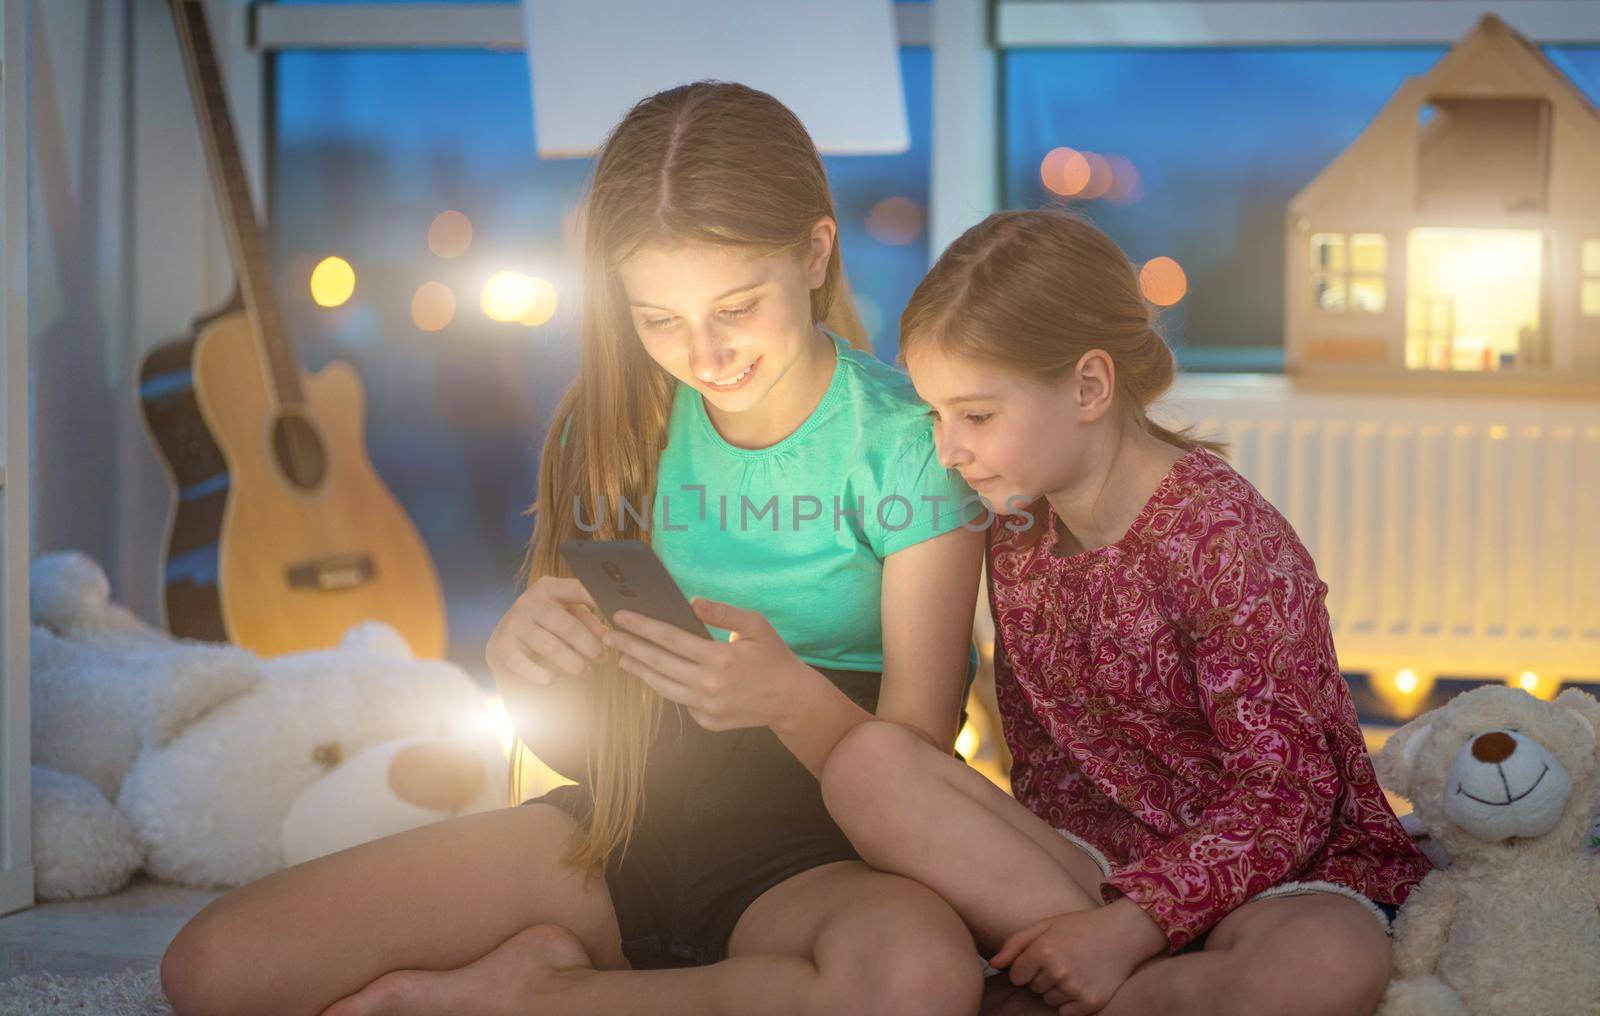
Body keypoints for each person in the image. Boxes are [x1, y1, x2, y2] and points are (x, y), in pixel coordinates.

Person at [159, 82, 986, 1016]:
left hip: (818, 852)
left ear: (815, 253)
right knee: (213, 973)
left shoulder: (911, 443)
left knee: (917, 983)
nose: (705, 355)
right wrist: (527, 671)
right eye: (659, 319)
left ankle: (533, 997)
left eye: (736, 306)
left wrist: (788, 699)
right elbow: (572, 747)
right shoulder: (605, 429)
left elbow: (919, 758)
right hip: (617, 833)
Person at [820, 208, 1433, 1016]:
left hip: (1275, 877)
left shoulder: (1222, 538)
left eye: (975, 415)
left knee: (1322, 968)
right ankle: (1119, 976)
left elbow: (1288, 796)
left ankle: (1090, 981)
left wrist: (1137, 925)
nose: (947, 450)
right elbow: (1041, 766)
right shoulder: (1018, 531)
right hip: (1089, 868)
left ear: (1088, 386)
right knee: (869, 766)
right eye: (936, 415)